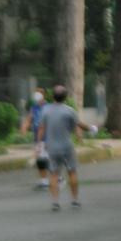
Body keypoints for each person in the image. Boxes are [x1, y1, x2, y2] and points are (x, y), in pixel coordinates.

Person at [36, 84, 95, 212]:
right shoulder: (69, 111)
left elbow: (41, 128)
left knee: (53, 174)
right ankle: (74, 200)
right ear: (66, 97)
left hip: (52, 147)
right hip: (67, 146)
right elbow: (78, 125)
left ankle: (55, 202)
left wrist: (39, 144)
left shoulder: (45, 110)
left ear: (53, 96)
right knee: (72, 172)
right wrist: (91, 128)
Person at [20, 87, 49, 189]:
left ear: (44, 95)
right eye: (36, 93)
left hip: (48, 137)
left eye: (39, 93)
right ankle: (44, 181)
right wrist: (24, 127)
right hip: (37, 137)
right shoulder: (34, 107)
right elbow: (29, 118)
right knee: (40, 159)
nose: (37, 95)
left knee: (45, 159)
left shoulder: (48, 107)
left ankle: (56, 178)